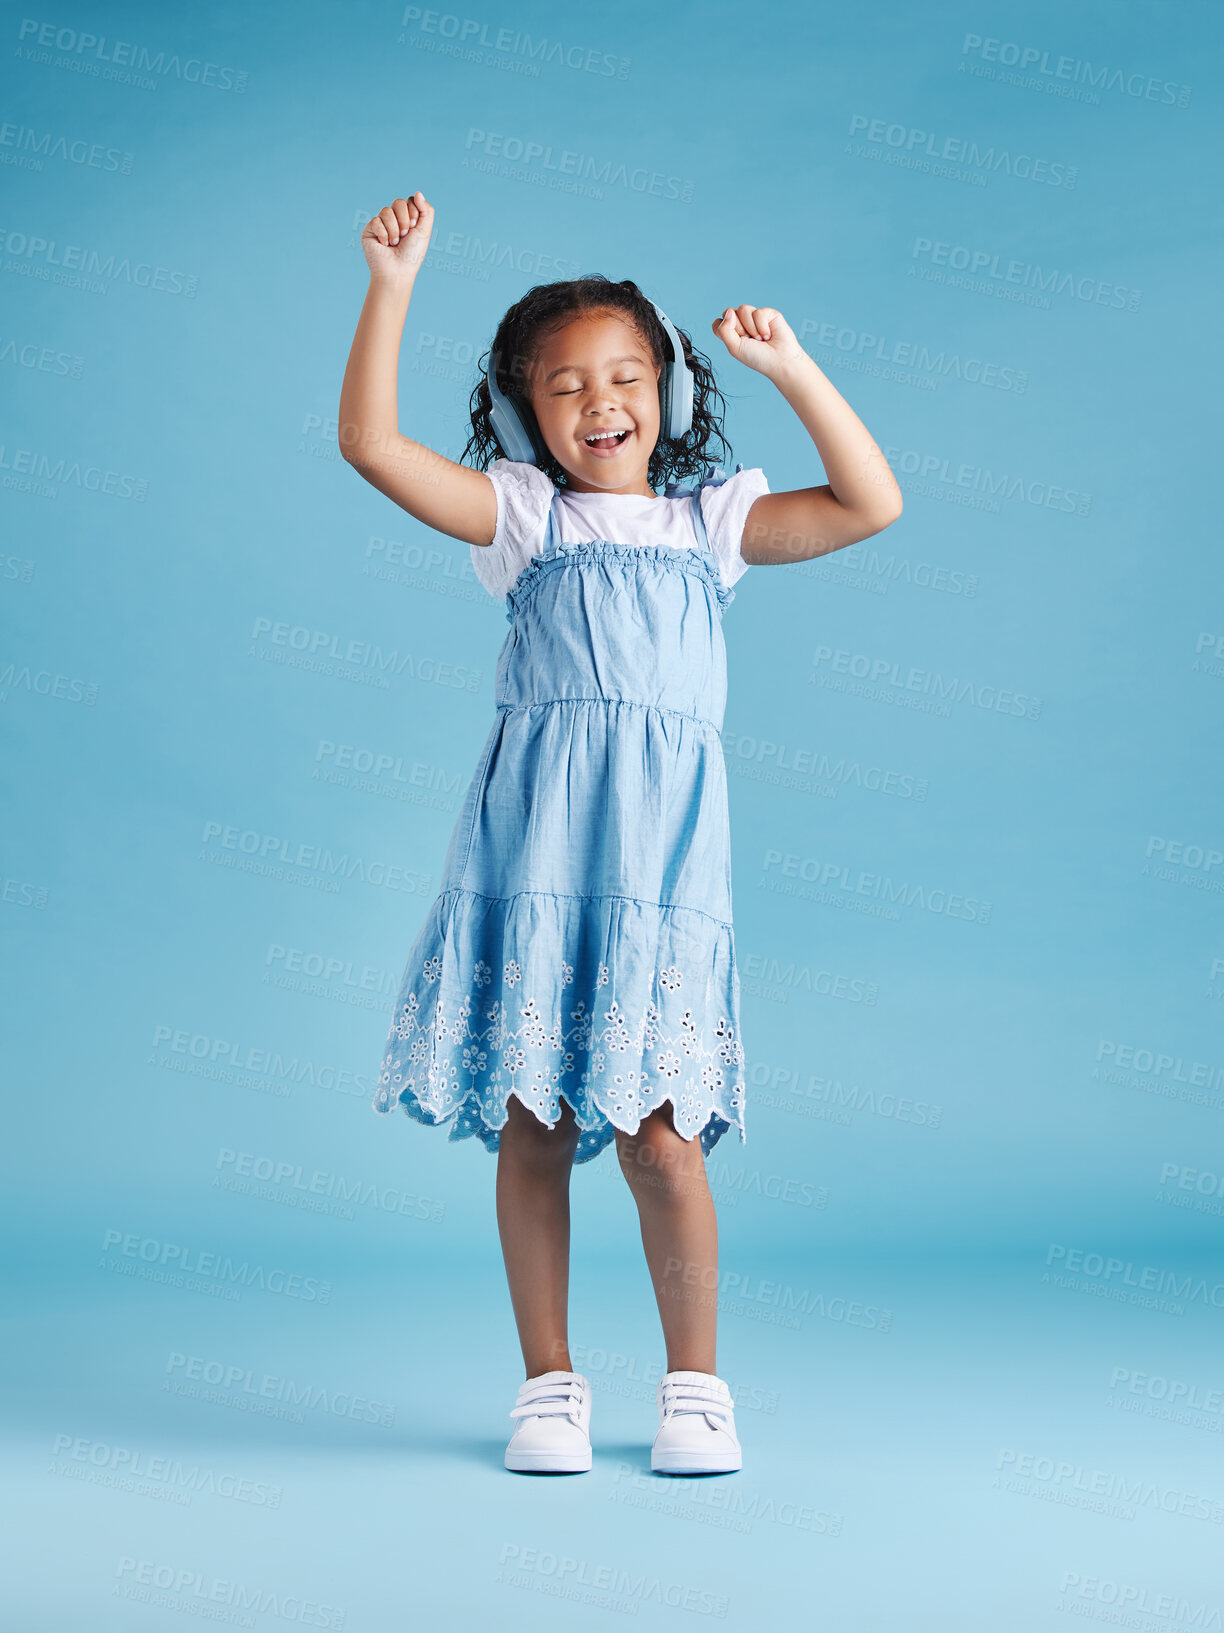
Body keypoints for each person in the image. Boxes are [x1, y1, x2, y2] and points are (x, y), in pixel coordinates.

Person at [338, 191, 903, 1477]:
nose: (600, 400)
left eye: (627, 375)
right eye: (564, 386)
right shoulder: (528, 524)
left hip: (661, 883)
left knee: (662, 1132)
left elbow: (871, 504)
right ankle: (550, 1386)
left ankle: (696, 1387)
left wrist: (792, 364)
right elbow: (371, 442)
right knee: (533, 1121)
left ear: (671, 393)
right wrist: (392, 283)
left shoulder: (711, 530)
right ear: (526, 412)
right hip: (533, 869)